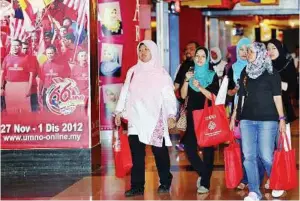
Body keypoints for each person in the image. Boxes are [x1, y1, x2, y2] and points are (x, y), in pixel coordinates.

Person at [114, 40, 177, 197]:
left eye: (146, 50)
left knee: (159, 151)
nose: (142, 53)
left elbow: (169, 96)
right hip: (136, 117)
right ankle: (137, 186)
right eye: (140, 50)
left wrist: (171, 114)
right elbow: (125, 92)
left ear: (153, 52)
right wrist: (119, 111)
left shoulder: (162, 74)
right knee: (137, 153)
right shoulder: (133, 71)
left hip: (156, 118)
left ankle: (165, 180)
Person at [230, 42, 286, 201]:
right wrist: (234, 115)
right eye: (247, 51)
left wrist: (281, 118)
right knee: (248, 156)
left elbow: (277, 97)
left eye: (252, 52)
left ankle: (277, 182)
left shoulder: (271, 72)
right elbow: (240, 96)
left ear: (261, 53)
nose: (248, 54)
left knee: (266, 155)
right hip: (247, 119)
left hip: (268, 120)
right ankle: (254, 191)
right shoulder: (245, 72)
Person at [227, 38, 265, 191]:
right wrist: (234, 91)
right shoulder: (233, 68)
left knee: (260, 150)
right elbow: (228, 92)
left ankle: (258, 178)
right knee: (245, 149)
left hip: (259, 111)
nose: (244, 53)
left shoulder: (259, 67)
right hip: (240, 111)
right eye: (241, 49)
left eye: (247, 49)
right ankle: (246, 178)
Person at [180, 46, 219, 194]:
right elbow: (183, 96)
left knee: (208, 149)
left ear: (207, 58)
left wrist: (201, 87)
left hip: (207, 116)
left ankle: (205, 183)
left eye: (203, 56)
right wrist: (186, 80)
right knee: (189, 148)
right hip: (192, 116)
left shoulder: (212, 75)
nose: (200, 59)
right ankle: (204, 174)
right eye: (198, 56)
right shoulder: (190, 73)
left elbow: (213, 97)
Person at [266, 39, 297, 198]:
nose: (270, 51)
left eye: (273, 48)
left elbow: (293, 87)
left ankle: (282, 181)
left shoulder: (286, 64)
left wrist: (277, 84)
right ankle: (274, 177)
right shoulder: (265, 66)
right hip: (265, 112)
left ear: (279, 49)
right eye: (268, 48)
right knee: (268, 149)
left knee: (282, 147)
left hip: (282, 112)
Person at [174, 41, 199, 151]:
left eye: (191, 49)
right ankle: (187, 143)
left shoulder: (203, 65)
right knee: (189, 124)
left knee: (195, 124)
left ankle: (188, 143)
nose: (188, 51)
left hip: (200, 101)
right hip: (186, 101)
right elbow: (176, 84)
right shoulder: (183, 65)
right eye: (186, 49)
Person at [1, 39, 34, 113]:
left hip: (23, 86)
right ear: (11, 46)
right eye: (13, 45)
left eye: (17, 45)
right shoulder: (7, 58)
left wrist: (29, 88)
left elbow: (31, 74)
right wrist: (1, 88)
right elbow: (2, 73)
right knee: (11, 110)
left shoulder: (27, 58)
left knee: (25, 111)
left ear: (20, 46)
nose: (15, 47)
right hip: (10, 86)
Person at [21, 42, 39, 112]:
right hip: (21, 88)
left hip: (32, 88)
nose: (25, 50)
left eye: (26, 48)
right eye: (23, 48)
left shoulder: (33, 59)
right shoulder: (17, 58)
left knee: (34, 108)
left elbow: (37, 72)